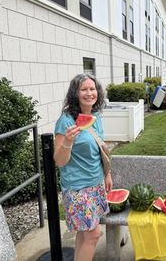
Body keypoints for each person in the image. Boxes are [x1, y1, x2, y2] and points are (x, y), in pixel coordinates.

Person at [54, 73, 113, 261]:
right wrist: (68, 141)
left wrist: (107, 174)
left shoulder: (95, 117)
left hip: (96, 184)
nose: (90, 93)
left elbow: (99, 151)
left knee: (84, 234)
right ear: (76, 93)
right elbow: (60, 161)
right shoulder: (66, 121)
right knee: (94, 235)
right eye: (84, 89)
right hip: (78, 188)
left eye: (93, 88)